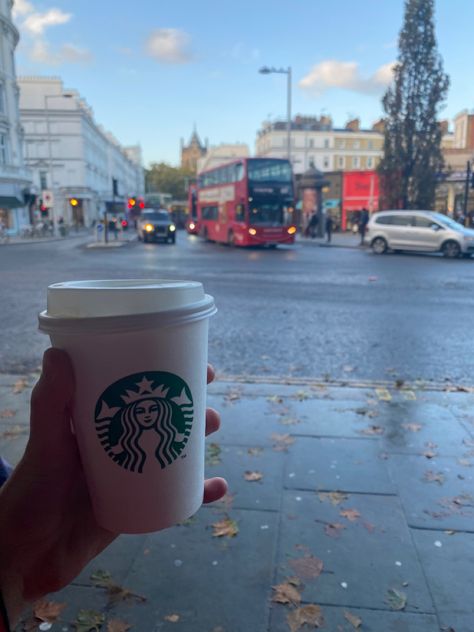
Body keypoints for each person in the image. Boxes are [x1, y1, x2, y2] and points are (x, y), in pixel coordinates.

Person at [0, 349, 227, 630]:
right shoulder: (129, 445)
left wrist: (14, 567)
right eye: (140, 409)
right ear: (129, 414)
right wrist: (15, 565)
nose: (147, 414)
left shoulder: (167, 438)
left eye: (153, 408)